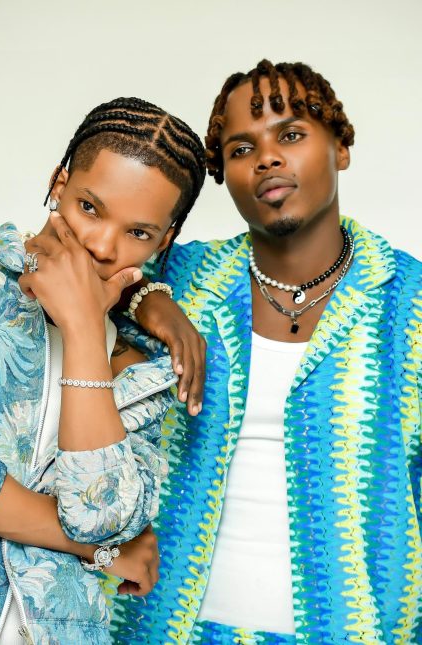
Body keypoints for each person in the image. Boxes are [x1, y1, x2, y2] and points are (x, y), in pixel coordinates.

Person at [109, 61, 422, 644]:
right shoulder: (184, 277)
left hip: (353, 631)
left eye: (292, 134)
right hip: (163, 627)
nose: (267, 158)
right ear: (224, 174)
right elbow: (70, 259)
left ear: (341, 147)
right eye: (241, 149)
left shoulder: (410, 303)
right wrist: (151, 300)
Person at [0, 97, 207, 644]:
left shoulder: (142, 368)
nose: (102, 245)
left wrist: (86, 331)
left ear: (164, 240)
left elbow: (102, 517)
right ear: (58, 183)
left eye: (139, 233)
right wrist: (95, 551)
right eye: (90, 206)